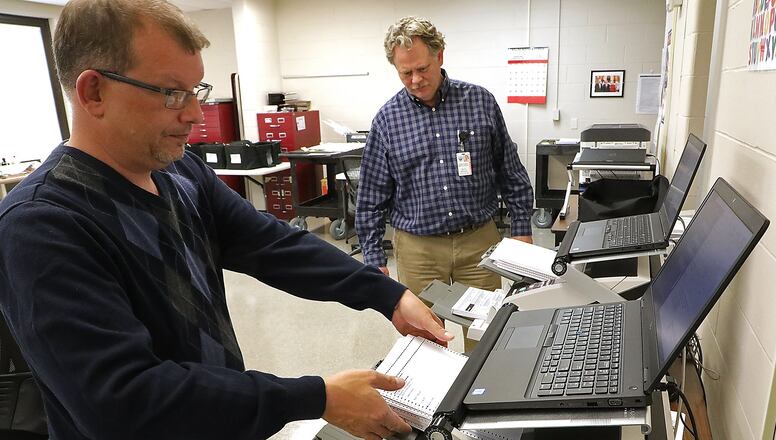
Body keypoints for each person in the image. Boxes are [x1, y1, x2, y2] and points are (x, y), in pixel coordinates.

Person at [0, 1, 452, 439]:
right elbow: (125, 402)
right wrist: (315, 397)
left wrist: (388, 294)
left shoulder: (179, 171)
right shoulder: (42, 226)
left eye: (194, 91)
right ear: (94, 92)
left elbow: (272, 244)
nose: (195, 115)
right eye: (171, 93)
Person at [356, 16, 534, 301]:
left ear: (439, 56)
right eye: (406, 73)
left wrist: (522, 229)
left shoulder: (480, 101)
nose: (415, 80)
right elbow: (371, 196)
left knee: (484, 324)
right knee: (424, 327)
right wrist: (374, 256)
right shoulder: (387, 120)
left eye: (422, 69)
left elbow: (509, 170)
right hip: (418, 251)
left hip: (479, 244)